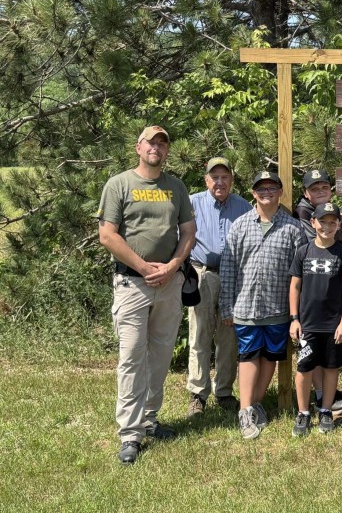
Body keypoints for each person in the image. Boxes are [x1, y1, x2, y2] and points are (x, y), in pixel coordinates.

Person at [98, 125, 196, 465]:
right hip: (132, 284)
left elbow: (188, 232)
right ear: (139, 147)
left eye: (162, 143)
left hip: (169, 283)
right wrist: (143, 267)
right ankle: (130, 433)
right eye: (151, 142)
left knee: (161, 354)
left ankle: (150, 419)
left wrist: (172, 266)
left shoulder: (176, 187)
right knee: (131, 357)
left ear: (167, 151)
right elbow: (108, 235)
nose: (156, 148)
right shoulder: (120, 184)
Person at [219, 171, 305, 439]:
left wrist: (295, 314)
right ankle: (244, 410)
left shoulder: (293, 229)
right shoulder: (240, 225)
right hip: (246, 307)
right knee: (248, 355)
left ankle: (255, 403)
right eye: (261, 188)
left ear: (280, 192)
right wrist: (227, 307)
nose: (266, 192)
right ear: (253, 193)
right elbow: (228, 268)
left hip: (278, 308)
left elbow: (298, 275)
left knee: (271, 357)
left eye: (272, 188)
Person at [185, 157, 252, 417]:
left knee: (228, 337)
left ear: (232, 180)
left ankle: (224, 391)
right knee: (200, 334)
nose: (220, 182)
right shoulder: (192, 203)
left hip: (233, 277)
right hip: (202, 273)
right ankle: (198, 394)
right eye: (215, 177)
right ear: (206, 180)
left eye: (225, 177)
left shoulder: (244, 206)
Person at [293, 168, 342, 415]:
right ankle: (320, 398)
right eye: (314, 188)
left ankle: (325, 398)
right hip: (310, 292)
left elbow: (332, 227)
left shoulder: (325, 213)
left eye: (324, 186)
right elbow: (324, 240)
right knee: (309, 357)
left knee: (326, 355)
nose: (320, 191)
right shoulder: (304, 212)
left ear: (331, 189)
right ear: (306, 193)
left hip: (330, 297)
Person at [289, 202, 342, 436]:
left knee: (330, 367)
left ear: (338, 225)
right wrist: (294, 319)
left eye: (332, 222)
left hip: (333, 325)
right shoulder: (303, 251)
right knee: (304, 367)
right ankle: (303, 413)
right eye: (322, 221)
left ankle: (326, 410)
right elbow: (295, 287)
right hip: (307, 323)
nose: (327, 226)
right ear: (313, 222)